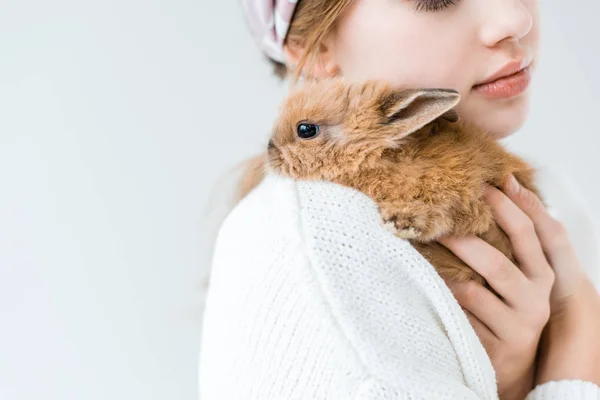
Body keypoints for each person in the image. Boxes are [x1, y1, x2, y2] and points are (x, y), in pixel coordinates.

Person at [199, 1, 600, 398]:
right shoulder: (324, 258)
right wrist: (573, 351)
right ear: (315, 49)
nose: (516, 18)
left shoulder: (555, 201)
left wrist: (513, 377)